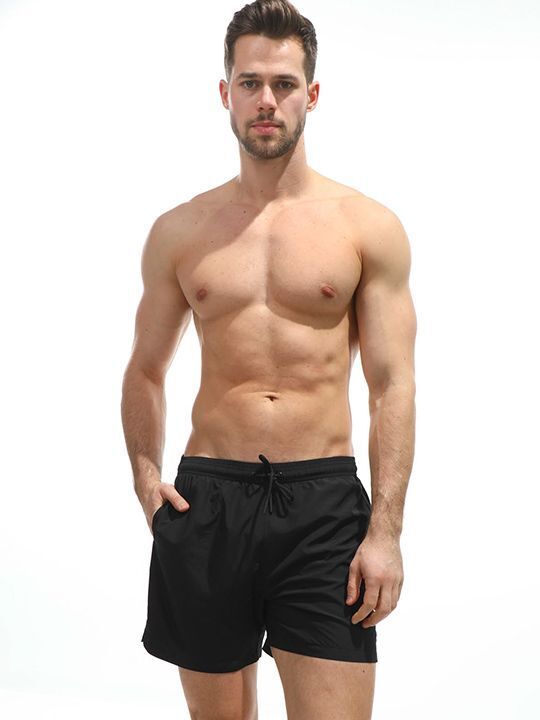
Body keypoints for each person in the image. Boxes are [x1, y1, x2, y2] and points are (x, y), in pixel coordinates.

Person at [121, 1, 417, 718]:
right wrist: (146, 477)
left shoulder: (365, 227)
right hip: (209, 500)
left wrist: (385, 531)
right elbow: (145, 369)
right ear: (225, 92)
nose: (266, 100)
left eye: (283, 84)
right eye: (250, 82)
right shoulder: (180, 231)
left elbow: (392, 385)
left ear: (311, 94)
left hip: (322, 507)